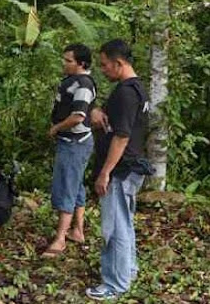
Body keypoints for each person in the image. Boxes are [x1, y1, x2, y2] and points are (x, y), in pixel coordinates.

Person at [85, 39, 150, 300]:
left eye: (105, 65)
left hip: (120, 170)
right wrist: (100, 113)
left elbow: (122, 136)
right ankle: (128, 271)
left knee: (114, 228)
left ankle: (115, 284)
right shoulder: (137, 89)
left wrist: (105, 173)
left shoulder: (125, 92)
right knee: (124, 223)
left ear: (119, 63)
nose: (102, 70)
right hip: (132, 167)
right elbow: (122, 126)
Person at [42, 44, 96, 258]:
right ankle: (78, 231)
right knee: (76, 184)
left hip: (75, 142)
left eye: (68, 61)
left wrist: (56, 128)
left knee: (66, 185)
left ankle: (60, 239)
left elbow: (78, 117)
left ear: (81, 64)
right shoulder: (72, 82)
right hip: (72, 141)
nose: (64, 64)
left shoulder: (83, 85)